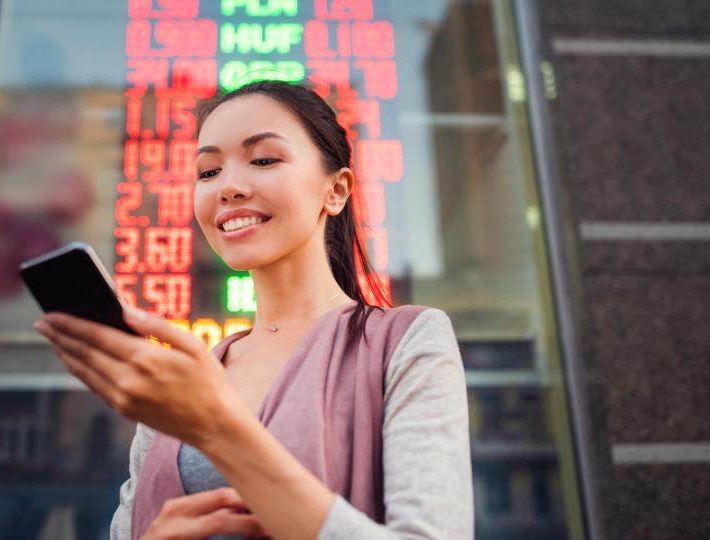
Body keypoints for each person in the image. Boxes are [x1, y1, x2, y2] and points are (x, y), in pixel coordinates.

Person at [33, 81, 473, 539]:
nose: (228, 188)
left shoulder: (407, 341)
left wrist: (218, 429)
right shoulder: (188, 376)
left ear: (336, 190)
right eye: (208, 172)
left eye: (263, 160)